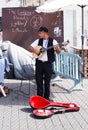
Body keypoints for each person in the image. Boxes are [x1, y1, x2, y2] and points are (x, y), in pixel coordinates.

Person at [28, 26, 60, 100]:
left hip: (48, 64)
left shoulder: (53, 41)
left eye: (40, 33)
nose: (39, 34)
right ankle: (39, 98)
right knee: (38, 81)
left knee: (47, 82)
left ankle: (46, 98)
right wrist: (35, 50)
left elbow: (58, 52)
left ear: (44, 33)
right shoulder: (38, 41)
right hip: (39, 63)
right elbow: (29, 47)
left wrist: (57, 48)